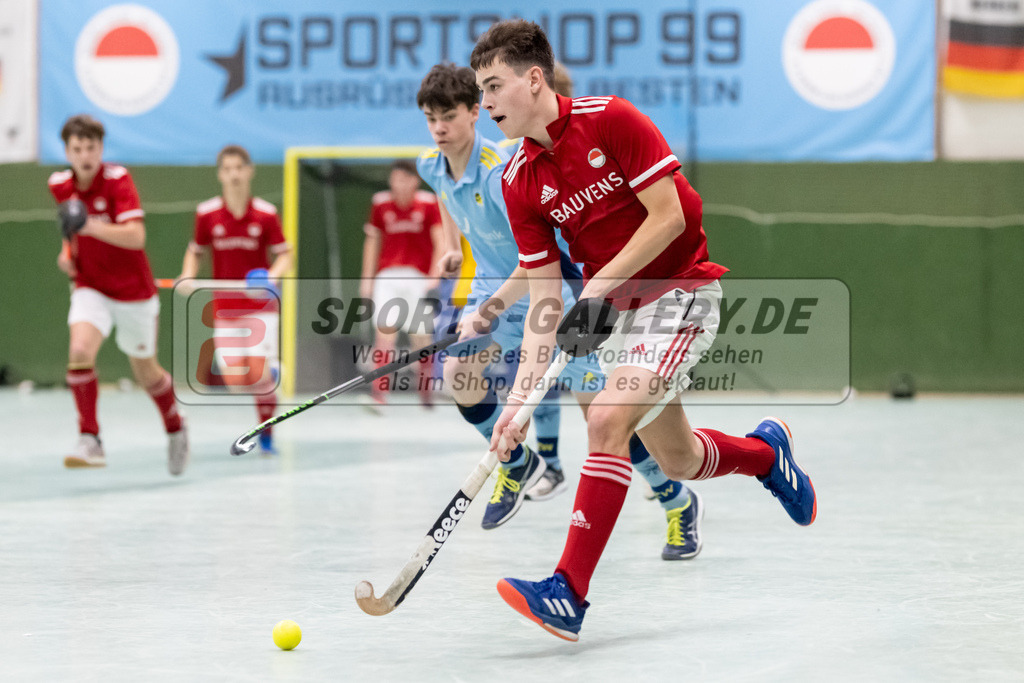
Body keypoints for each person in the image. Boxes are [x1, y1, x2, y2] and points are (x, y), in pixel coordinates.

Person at [470, 20, 817, 641]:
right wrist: (518, 403)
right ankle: (768, 455)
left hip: (681, 291)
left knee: (604, 419)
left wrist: (599, 285)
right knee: (678, 459)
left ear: (533, 78)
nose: (486, 103)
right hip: (626, 315)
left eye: (494, 87)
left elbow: (670, 215)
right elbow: (545, 305)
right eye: (482, 91)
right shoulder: (518, 180)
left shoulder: (611, 120)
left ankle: (567, 592)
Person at [416, 63, 704, 556]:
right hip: (491, 291)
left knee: (605, 418)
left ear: (472, 115)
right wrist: (450, 246)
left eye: (449, 116)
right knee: (460, 374)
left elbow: (538, 262)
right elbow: (447, 199)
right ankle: (518, 464)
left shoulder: (503, 171)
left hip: (548, 293)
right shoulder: (429, 165)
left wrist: (490, 306)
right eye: (430, 118)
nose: (439, 128)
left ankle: (675, 497)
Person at [48, 114, 189, 475]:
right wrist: (67, 253)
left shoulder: (117, 180)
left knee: (147, 372)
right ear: (66, 151)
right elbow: (70, 232)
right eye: (77, 148)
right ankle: (90, 438)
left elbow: (136, 237)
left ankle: (175, 428)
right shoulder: (59, 184)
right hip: (90, 286)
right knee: (79, 350)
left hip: (134, 293)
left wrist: (90, 226)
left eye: (91, 147)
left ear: (101, 149)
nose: (85, 155)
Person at [176, 144, 293, 454]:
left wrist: (271, 276)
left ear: (249, 171)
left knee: (257, 377)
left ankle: (266, 433)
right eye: (227, 169)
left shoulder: (266, 214)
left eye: (238, 168)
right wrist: (187, 274)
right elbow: (195, 251)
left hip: (260, 308)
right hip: (225, 310)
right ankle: (273, 371)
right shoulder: (207, 214)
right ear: (220, 175)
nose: (233, 175)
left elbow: (284, 257)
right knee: (234, 378)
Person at [360, 160, 445, 407]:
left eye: (404, 179)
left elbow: (440, 242)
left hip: (419, 278)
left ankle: (426, 390)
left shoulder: (429, 204)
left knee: (421, 338)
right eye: (394, 179)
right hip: (387, 277)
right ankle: (380, 394)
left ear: (414, 181)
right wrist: (367, 280)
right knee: (385, 335)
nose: (398, 184)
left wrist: (434, 277)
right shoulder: (380, 204)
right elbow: (372, 242)